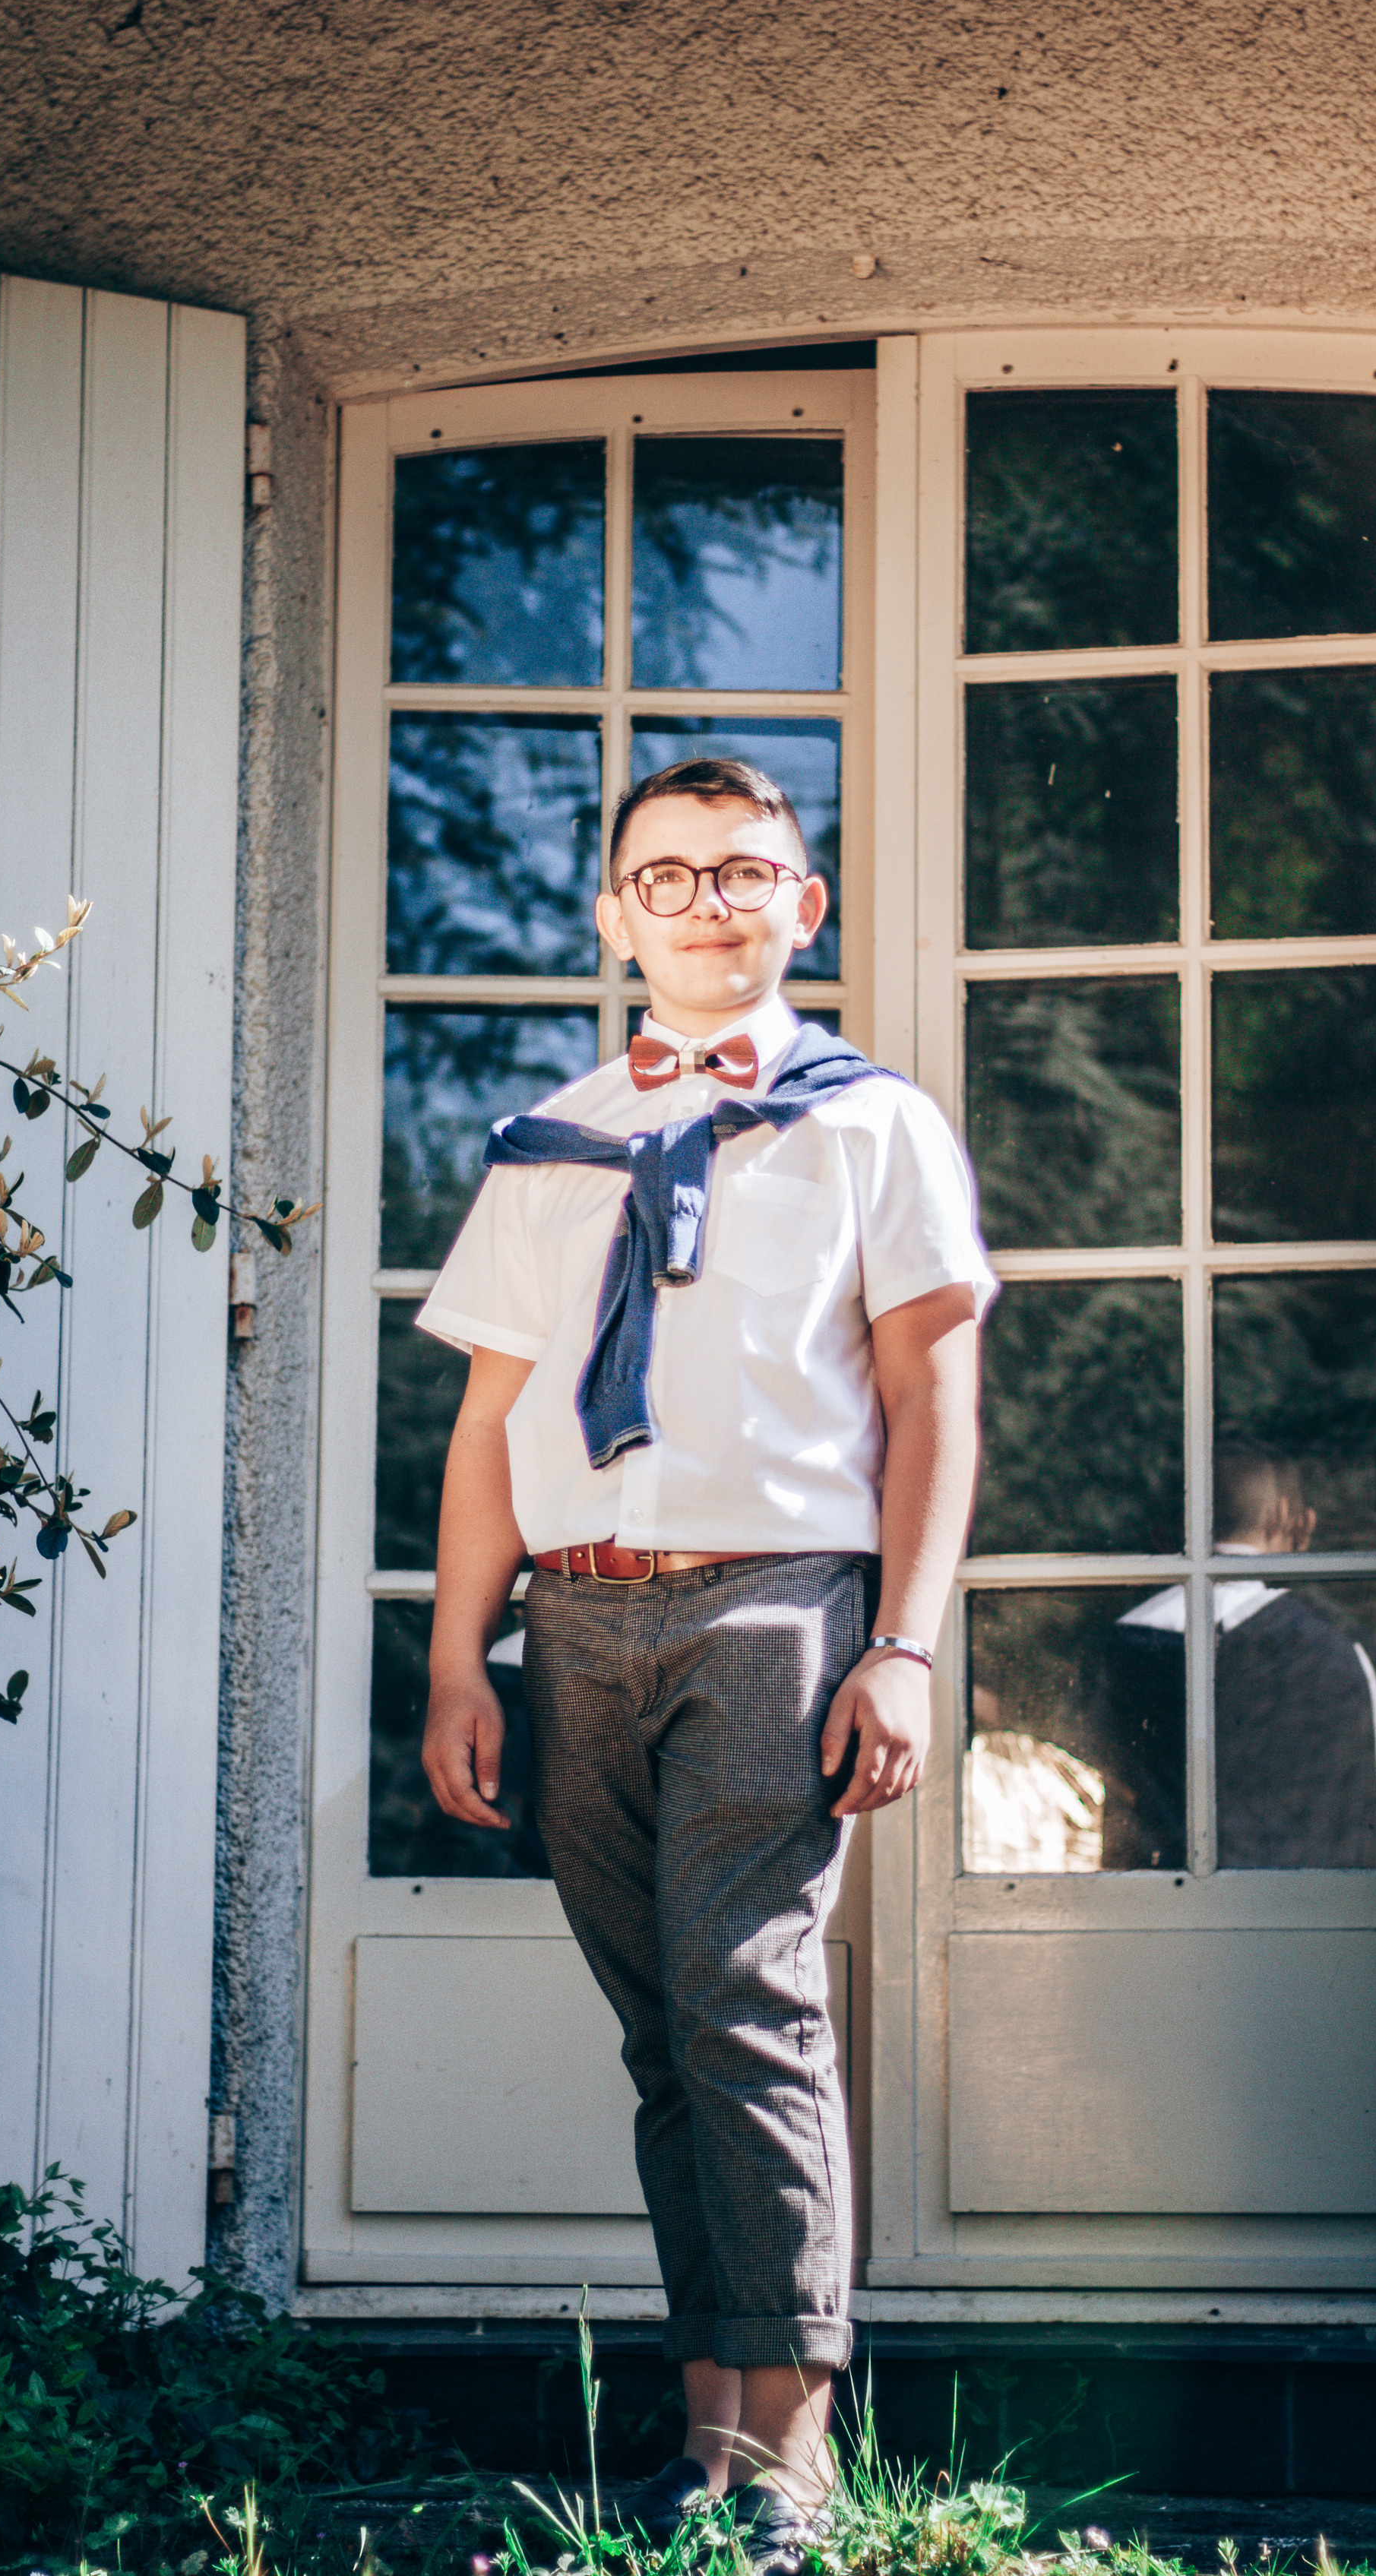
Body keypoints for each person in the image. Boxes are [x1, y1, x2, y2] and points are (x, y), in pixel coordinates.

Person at [416, 758, 993, 2564]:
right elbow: (486, 1418)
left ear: (799, 904)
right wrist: (456, 1656)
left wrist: (899, 1640)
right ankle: (702, 2435)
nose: (705, 902)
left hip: (773, 1598)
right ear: (612, 916)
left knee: (745, 1990)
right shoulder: (552, 1139)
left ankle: (793, 2454)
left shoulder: (867, 1124)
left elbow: (927, 1393)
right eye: (662, 878)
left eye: (742, 871)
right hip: (574, 1616)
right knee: (664, 2026)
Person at [1103, 1440, 1376, 1870]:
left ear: (1173, 1526)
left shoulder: (1122, 1645)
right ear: (1285, 1517)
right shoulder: (1346, 1650)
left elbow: (1116, 1809)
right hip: (1311, 1918)